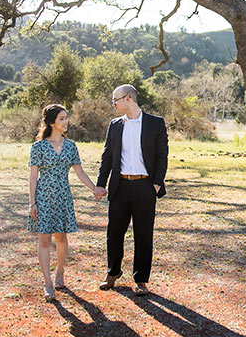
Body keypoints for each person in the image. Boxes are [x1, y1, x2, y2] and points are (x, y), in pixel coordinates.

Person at [96, 84, 168, 295]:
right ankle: (113, 272)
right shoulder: (115, 125)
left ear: (128, 99)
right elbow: (107, 156)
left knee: (143, 234)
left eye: (115, 100)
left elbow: (162, 156)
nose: (113, 104)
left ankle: (141, 279)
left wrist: (156, 184)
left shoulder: (155, 123)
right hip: (120, 186)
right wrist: (101, 183)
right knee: (114, 233)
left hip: (145, 186)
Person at [28, 103, 105, 301]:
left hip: (63, 196)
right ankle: (47, 283)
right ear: (52, 122)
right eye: (62, 118)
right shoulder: (38, 147)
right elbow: (33, 176)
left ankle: (60, 273)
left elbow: (79, 171)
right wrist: (32, 203)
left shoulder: (70, 145)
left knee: (61, 237)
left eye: (66, 118)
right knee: (44, 239)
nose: (66, 122)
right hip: (43, 196)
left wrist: (94, 188)